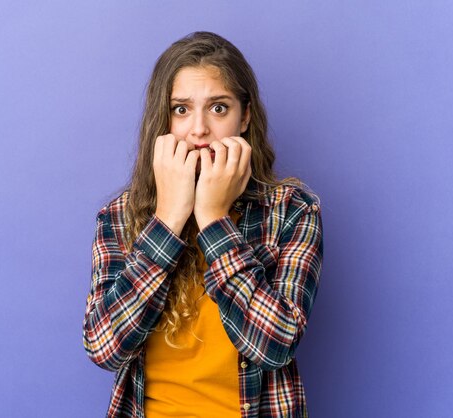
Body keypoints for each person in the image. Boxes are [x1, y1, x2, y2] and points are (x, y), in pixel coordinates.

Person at [83, 31, 323, 418]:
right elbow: (105, 347)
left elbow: (274, 345)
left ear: (244, 117)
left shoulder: (292, 210)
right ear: (163, 120)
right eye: (181, 109)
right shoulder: (119, 215)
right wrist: (169, 219)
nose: (198, 130)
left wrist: (212, 219)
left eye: (218, 108)